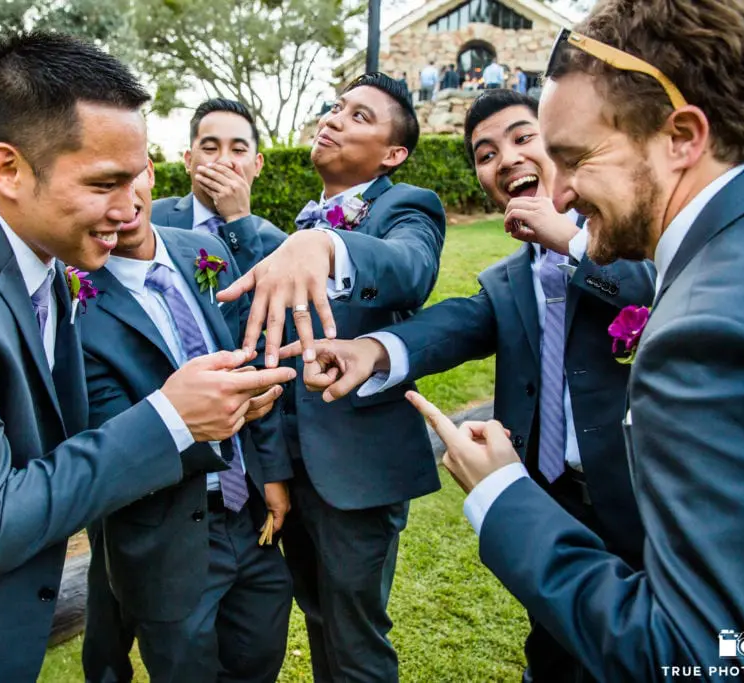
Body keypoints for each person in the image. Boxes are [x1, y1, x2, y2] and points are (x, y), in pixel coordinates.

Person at [0, 32, 294, 683]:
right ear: (8, 169)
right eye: (104, 183)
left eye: (137, 177)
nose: (130, 207)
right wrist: (173, 419)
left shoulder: (45, 258)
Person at [411, 0, 744, 679]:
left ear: (681, 137)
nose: (561, 194)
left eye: (575, 158)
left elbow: (717, 655)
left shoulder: (705, 333)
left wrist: (500, 493)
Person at [278, 88, 656, 682]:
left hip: (644, 503)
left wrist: (570, 239)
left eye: (523, 138)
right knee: (553, 657)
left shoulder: (634, 235)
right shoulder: (509, 279)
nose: (506, 159)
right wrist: (371, 350)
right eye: (486, 154)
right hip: (550, 501)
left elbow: (655, 286)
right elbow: (454, 326)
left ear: (563, 146)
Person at [218, 72, 446, 682]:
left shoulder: (407, 206)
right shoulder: (307, 220)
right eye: (336, 107)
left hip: (357, 470)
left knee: (355, 640)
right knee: (318, 617)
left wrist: (327, 244)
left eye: (360, 116)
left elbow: (411, 269)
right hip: (292, 462)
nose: (334, 118)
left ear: (393, 154)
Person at [80, 170, 293, 683]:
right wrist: (216, 417)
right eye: (101, 185)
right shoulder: (74, 296)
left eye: (131, 176)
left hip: (247, 514)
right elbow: (106, 429)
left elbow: (249, 360)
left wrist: (272, 473)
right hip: (165, 531)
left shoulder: (204, 249)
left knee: (260, 654)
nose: (123, 199)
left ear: (151, 171)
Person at [153, 98, 287, 273]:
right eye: (210, 148)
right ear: (188, 160)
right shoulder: (151, 219)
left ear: (257, 165)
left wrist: (238, 219)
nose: (224, 161)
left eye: (238, 150)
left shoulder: (279, 245)